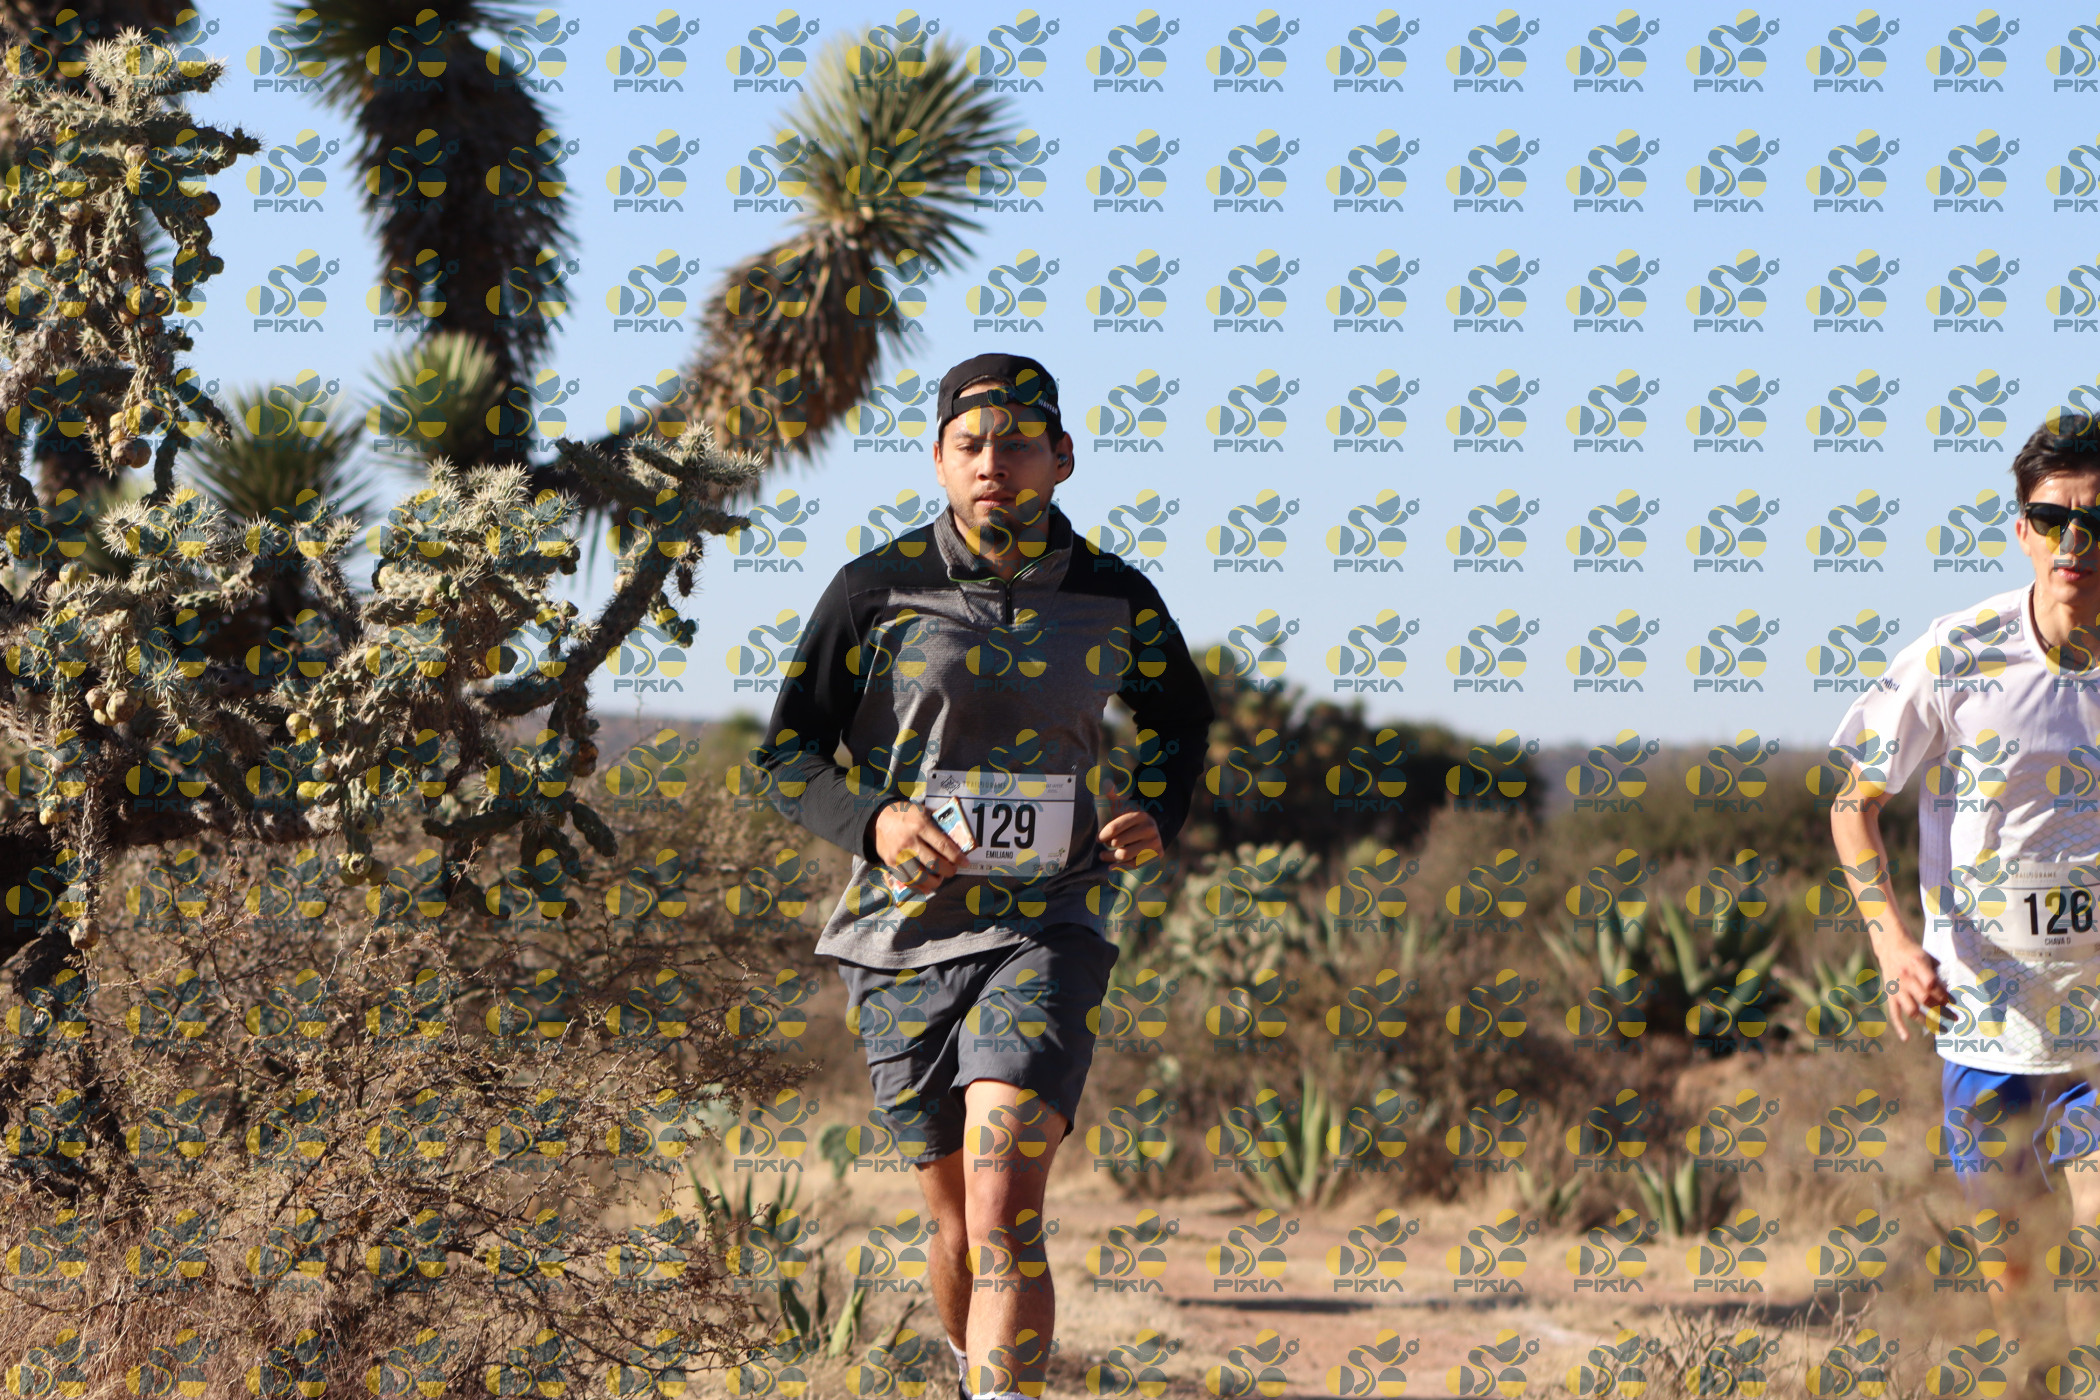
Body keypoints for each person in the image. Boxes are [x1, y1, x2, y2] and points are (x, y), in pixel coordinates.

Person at [756, 353, 1215, 1400]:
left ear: (1062, 458)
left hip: (1050, 922)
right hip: (902, 940)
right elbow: (788, 754)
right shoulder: (873, 590)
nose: (992, 465)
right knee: (959, 1223)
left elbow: (1180, 721)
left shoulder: (1114, 596)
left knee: (1005, 1197)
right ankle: (973, 1373)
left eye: (1017, 446)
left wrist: (1156, 805)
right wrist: (875, 820)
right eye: (969, 446)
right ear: (938, 459)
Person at [1827, 412, 2100, 1376]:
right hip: (1986, 1026)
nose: (2076, 542)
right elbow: (1853, 804)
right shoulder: (1960, 653)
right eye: (2054, 519)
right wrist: (1892, 947)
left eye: (2097, 520)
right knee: (2026, 1316)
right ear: (2023, 530)